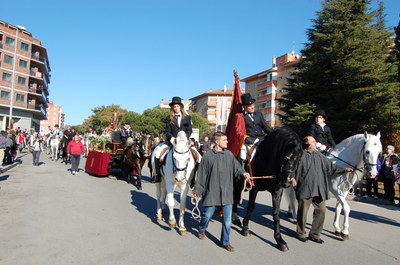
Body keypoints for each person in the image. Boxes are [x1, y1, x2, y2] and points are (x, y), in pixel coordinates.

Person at [192, 132, 250, 252]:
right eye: (225, 140)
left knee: (227, 221)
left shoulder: (229, 155)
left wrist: (243, 172)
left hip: (227, 193)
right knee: (207, 215)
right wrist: (197, 191)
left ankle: (225, 242)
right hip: (212, 192)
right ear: (217, 142)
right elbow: (201, 175)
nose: (227, 142)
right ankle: (202, 228)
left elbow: (237, 167)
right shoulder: (207, 156)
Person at [292, 136, 353, 244]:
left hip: (319, 189)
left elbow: (332, 167)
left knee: (321, 211)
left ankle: (315, 234)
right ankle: (301, 233)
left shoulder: (320, 155)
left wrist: (344, 170)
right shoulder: (300, 155)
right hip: (305, 188)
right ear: (307, 144)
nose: (316, 143)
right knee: (303, 213)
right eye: (313, 142)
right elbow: (291, 169)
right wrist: (292, 178)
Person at [153, 96, 193, 182]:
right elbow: (167, 131)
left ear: (181, 107)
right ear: (172, 108)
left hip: (184, 142)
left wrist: (185, 138)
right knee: (157, 153)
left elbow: (190, 130)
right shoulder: (168, 118)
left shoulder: (187, 117)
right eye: (174, 107)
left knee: (197, 156)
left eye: (178, 106)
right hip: (171, 141)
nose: (176, 108)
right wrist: (171, 138)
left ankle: (193, 179)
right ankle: (158, 175)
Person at [239, 93, 273, 164]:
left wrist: (275, 133)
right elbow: (239, 130)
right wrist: (245, 138)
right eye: (249, 106)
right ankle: (243, 171)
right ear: (244, 107)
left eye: (253, 105)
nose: (252, 107)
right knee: (243, 154)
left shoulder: (259, 114)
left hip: (262, 139)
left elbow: (266, 128)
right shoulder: (241, 116)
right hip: (250, 141)